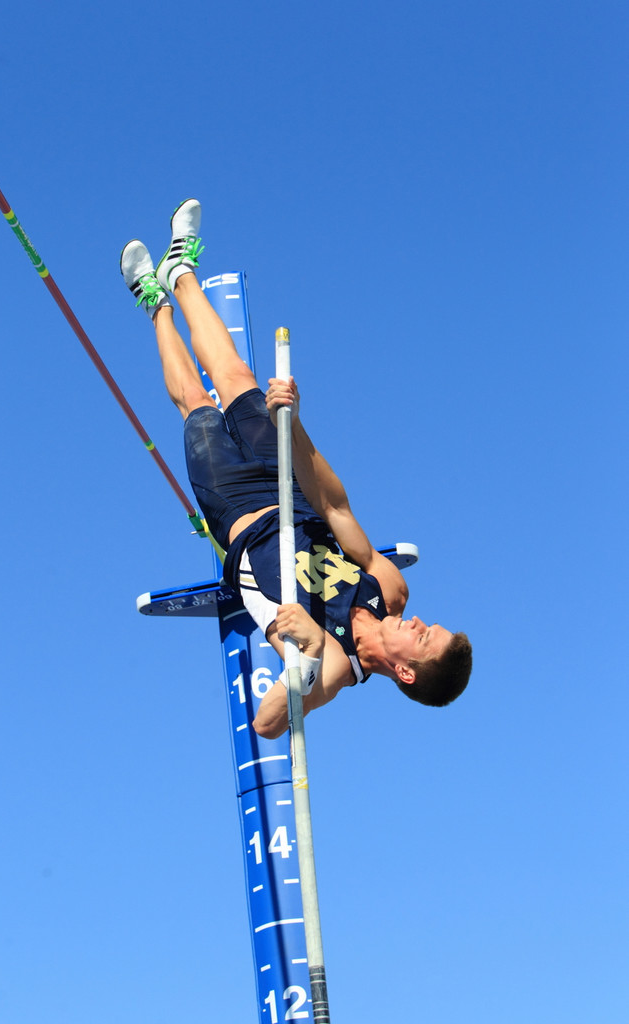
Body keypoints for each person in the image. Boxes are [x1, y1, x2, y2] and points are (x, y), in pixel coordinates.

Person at [120, 199, 472, 739]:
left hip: (236, 510)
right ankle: (179, 270)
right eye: (432, 626)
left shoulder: (332, 664)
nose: (420, 622)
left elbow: (265, 724)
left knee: (196, 402)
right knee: (240, 378)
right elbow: (335, 507)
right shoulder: (389, 590)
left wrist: (303, 657)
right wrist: (294, 423)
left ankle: (154, 303)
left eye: (424, 638)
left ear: (404, 672)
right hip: (291, 491)